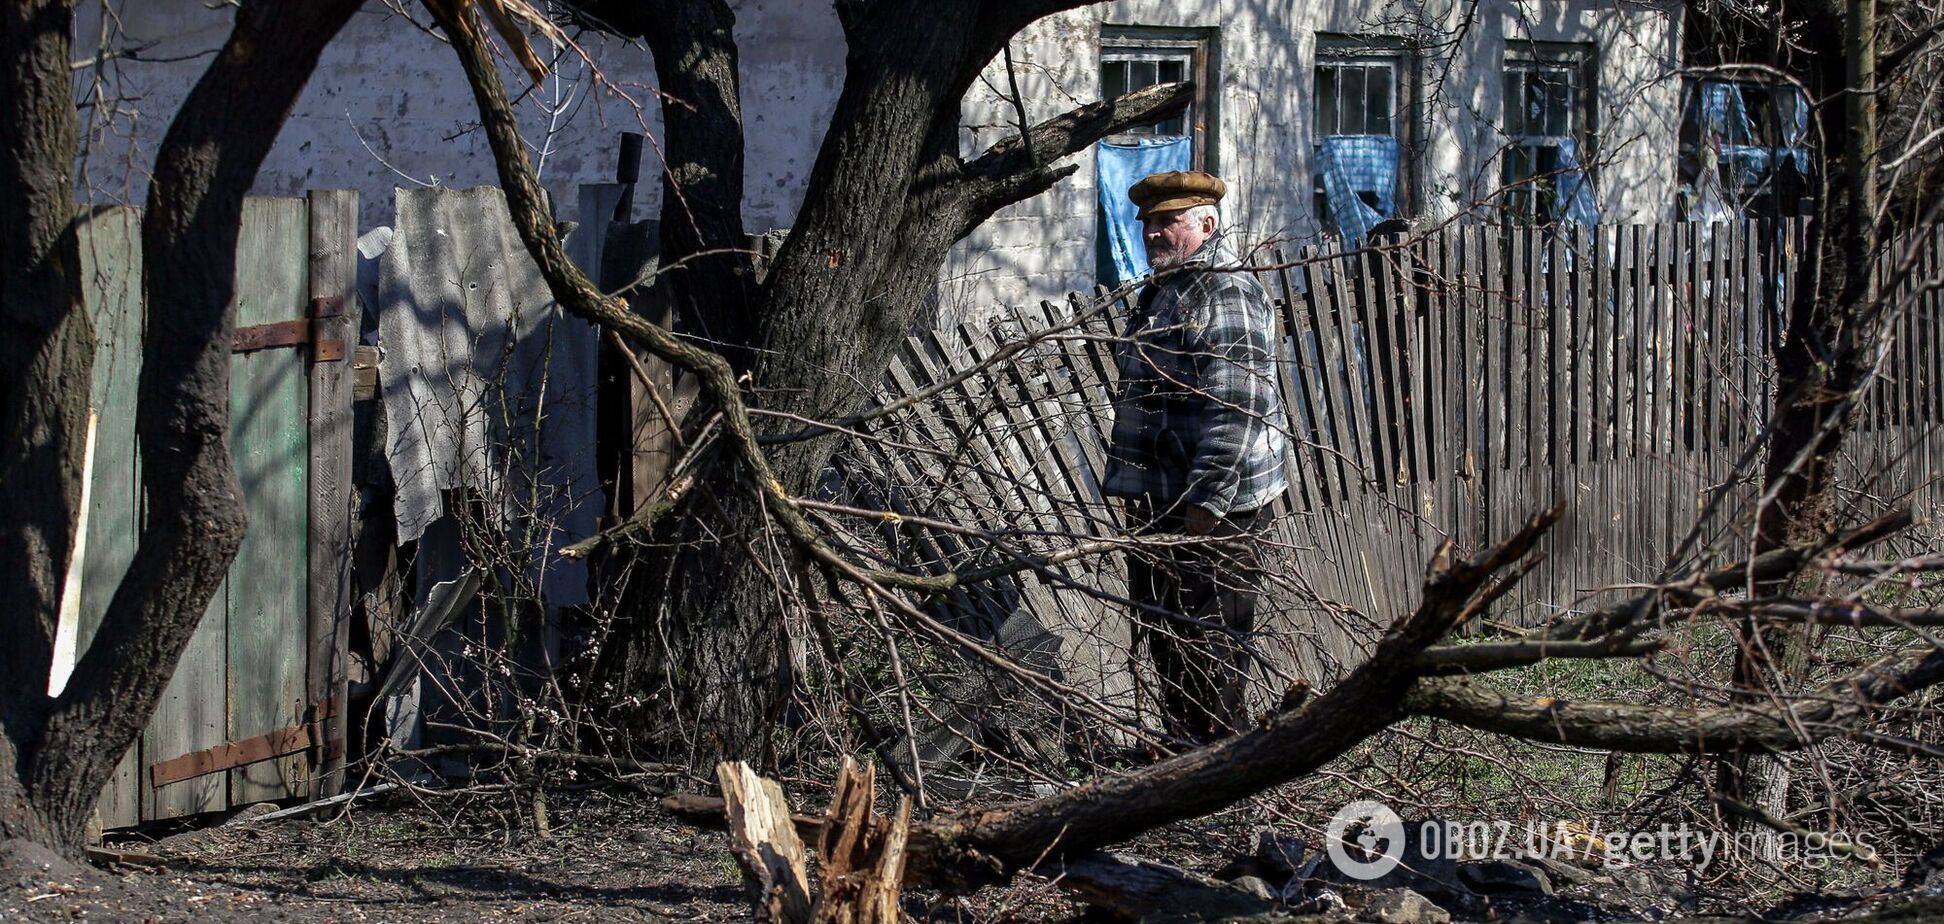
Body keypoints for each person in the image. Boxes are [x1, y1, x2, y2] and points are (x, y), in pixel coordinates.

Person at [1102, 170, 1289, 745]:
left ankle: (1219, 767)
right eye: (1149, 223)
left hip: (1216, 507)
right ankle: (1181, 755)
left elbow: (1240, 404)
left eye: (1169, 221)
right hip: (1163, 499)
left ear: (1206, 224)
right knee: (1167, 633)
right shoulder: (1166, 288)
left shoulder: (1223, 289)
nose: (1154, 233)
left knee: (1212, 642)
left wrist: (1205, 502)